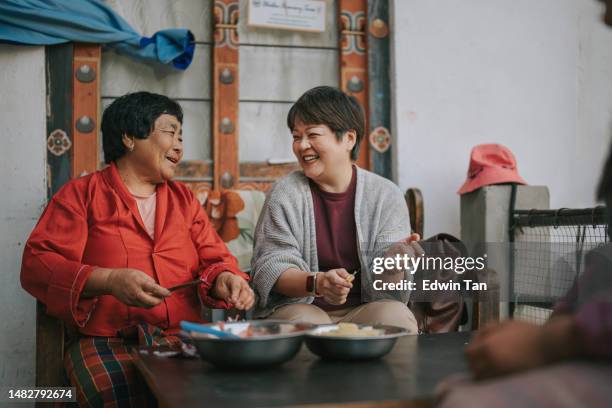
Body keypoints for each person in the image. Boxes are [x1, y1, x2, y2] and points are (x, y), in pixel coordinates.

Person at [21, 92, 254, 407]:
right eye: (170, 132)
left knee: (233, 392)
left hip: (183, 338)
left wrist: (225, 278)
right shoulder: (81, 195)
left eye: (181, 136)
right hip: (108, 342)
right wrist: (108, 280)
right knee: (117, 397)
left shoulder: (183, 200)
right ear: (129, 137)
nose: (179, 145)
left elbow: (214, 259)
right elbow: (37, 264)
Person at [437, 143, 612, 408]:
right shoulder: (600, 262)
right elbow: (568, 309)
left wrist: (546, 342)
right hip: (574, 347)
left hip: (580, 349)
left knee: (466, 399)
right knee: (452, 387)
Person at [250, 86, 419, 332]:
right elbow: (270, 267)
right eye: (297, 136)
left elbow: (387, 289)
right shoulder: (285, 193)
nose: (302, 145)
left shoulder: (386, 195)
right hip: (301, 307)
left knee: (396, 317)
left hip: (364, 309)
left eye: (312, 134)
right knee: (307, 325)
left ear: (349, 138)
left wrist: (393, 264)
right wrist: (317, 283)